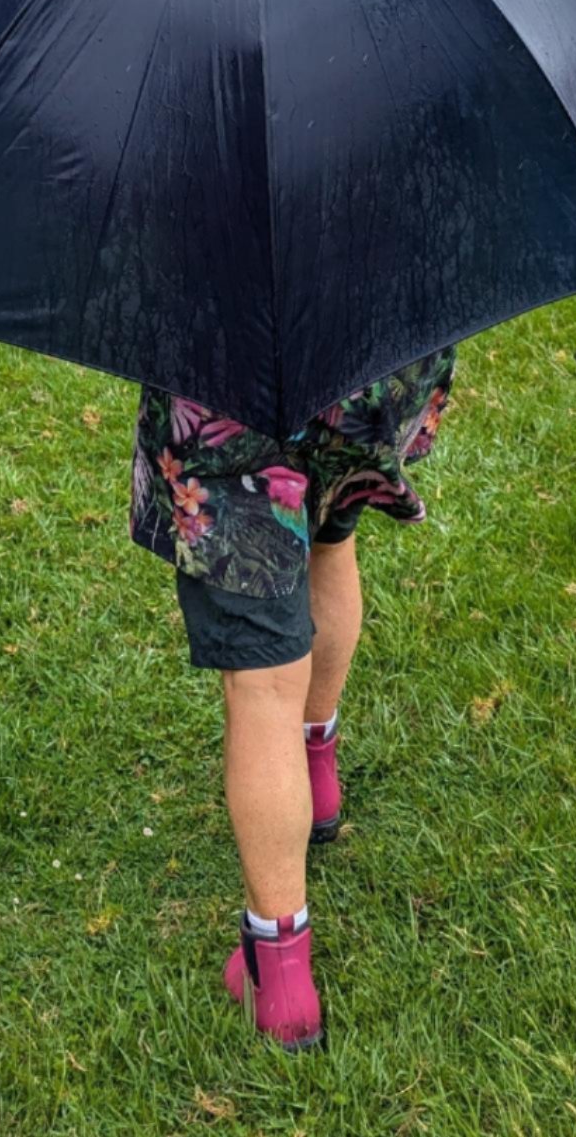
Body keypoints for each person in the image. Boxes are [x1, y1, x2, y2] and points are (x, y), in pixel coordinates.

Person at [129, 345, 458, 1050]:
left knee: (261, 676)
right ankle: (318, 778)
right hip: (367, 348)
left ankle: (279, 979)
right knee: (331, 537)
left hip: (225, 369)